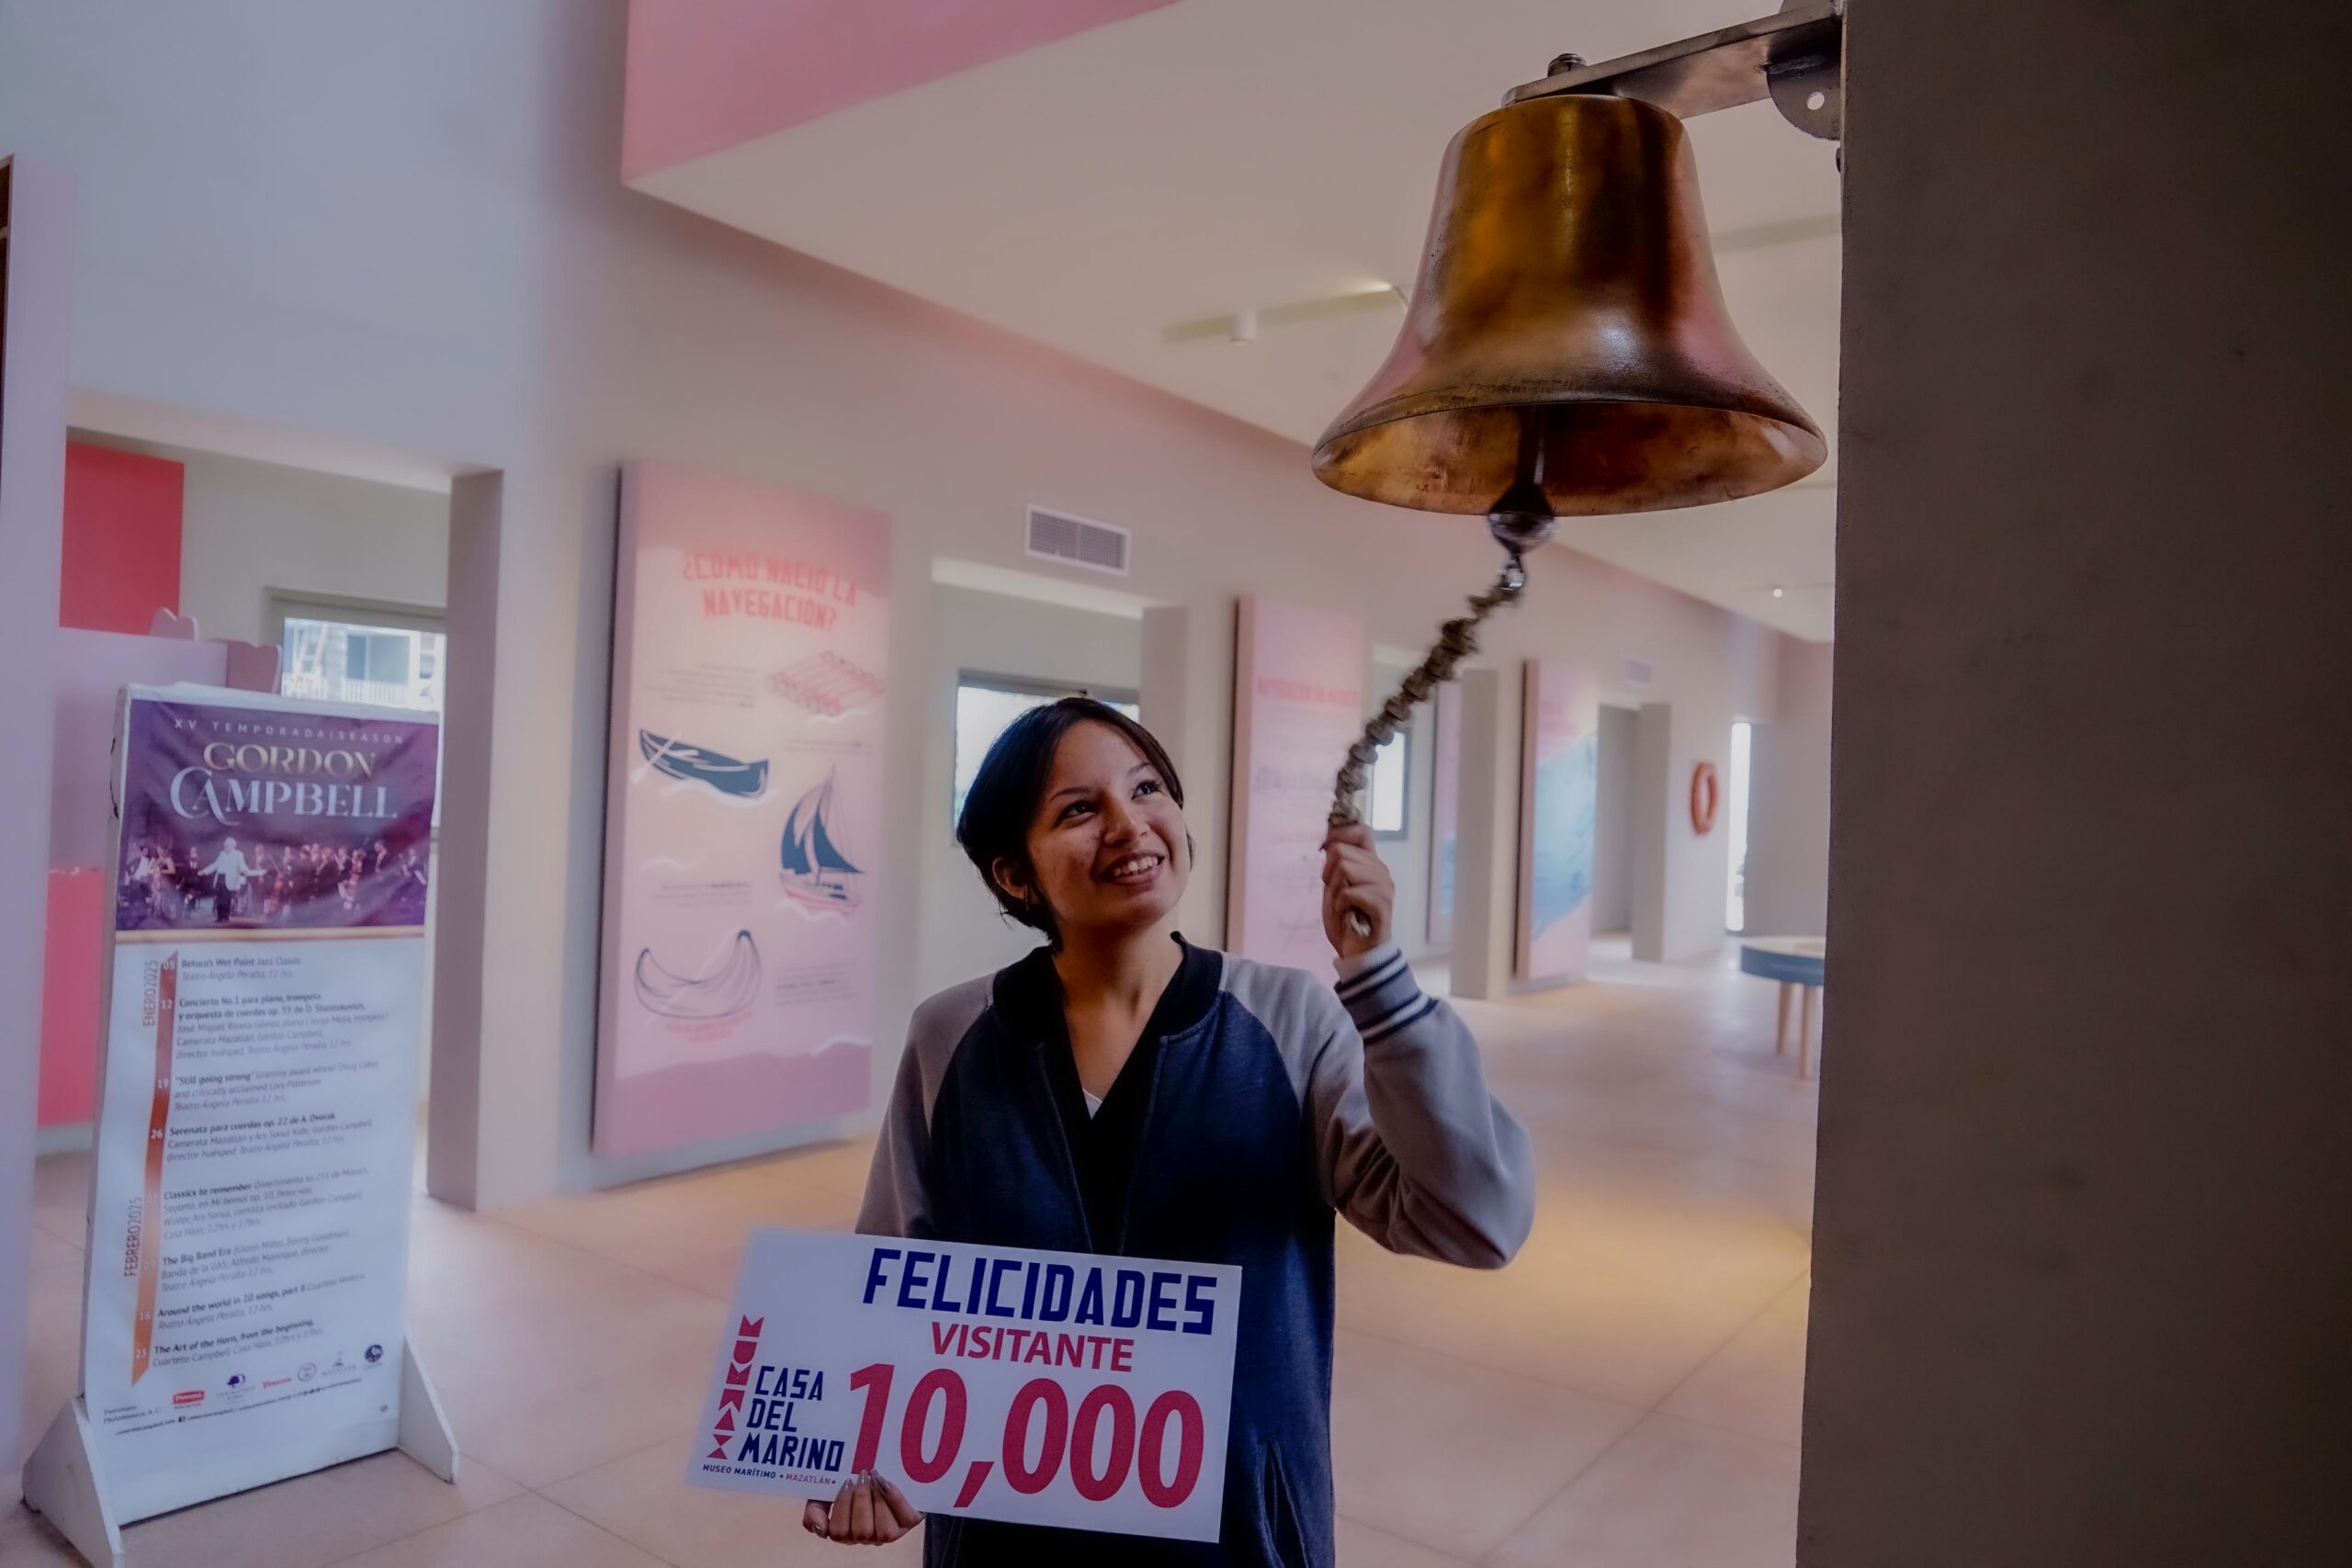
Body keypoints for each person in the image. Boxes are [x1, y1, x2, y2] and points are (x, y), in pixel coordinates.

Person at [812, 699, 1533, 1565]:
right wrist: (858, 1453)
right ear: (1014, 874)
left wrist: (1381, 988)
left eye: (1147, 787)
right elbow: (891, 1277)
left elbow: (1475, 1219)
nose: (1130, 825)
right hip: (1006, 1540)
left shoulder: (1286, 1021)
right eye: (1079, 809)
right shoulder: (952, 1036)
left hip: (1239, 1538)